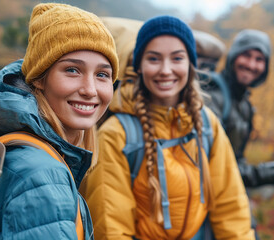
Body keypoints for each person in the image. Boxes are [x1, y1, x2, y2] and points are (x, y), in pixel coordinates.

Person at [82, 15, 254, 239]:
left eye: (177, 58)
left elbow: (231, 209)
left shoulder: (206, 124)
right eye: (154, 59)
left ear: (191, 65)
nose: (165, 70)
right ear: (139, 65)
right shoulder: (116, 135)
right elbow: (111, 228)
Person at [0, 3, 118, 239]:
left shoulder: (16, 150)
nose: (90, 90)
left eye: (102, 74)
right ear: (39, 79)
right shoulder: (41, 174)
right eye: (72, 70)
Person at [200, 29, 274, 238]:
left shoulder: (244, 104)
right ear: (233, 56)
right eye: (246, 55)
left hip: (230, 202)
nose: (251, 64)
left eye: (259, 59)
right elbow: (214, 169)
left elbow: (236, 162)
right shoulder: (213, 96)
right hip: (208, 210)